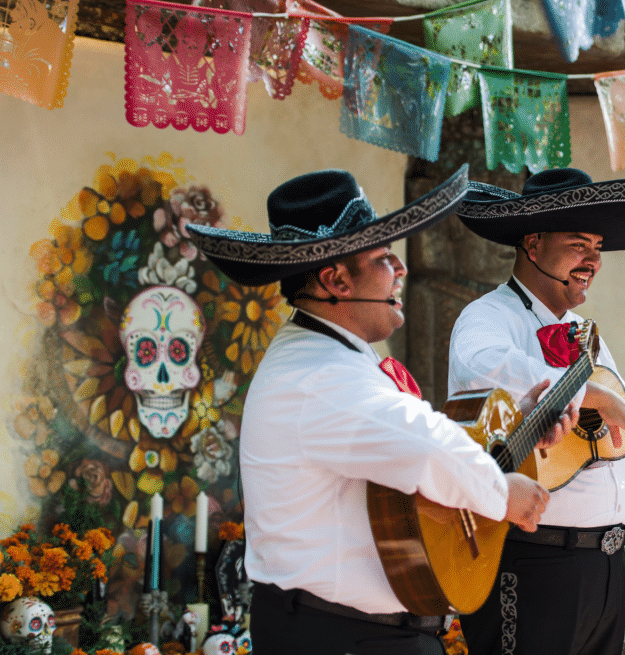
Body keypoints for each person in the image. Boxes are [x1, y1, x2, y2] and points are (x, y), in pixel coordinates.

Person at [188, 165, 574, 654]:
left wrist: (520, 424)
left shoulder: (329, 357)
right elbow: (425, 447)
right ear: (336, 280)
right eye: (384, 259)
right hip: (341, 636)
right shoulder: (320, 373)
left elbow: (403, 446)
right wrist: (500, 493)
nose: (402, 270)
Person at [447, 168, 625, 655]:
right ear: (533, 244)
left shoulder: (586, 335)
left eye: (598, 247)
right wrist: (594, 394)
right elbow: (486, 368)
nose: (594, 259)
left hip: (605, 565)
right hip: (532, 559)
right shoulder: (488, 317)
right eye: (580, 244)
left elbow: (615, 442)